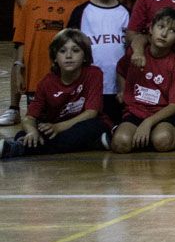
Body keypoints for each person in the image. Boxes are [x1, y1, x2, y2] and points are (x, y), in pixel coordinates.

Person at [1, 30, 106, 159]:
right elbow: (29, 117)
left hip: (82, 124)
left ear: (85, 56)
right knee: (25, 134)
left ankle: (21, 148)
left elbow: (91, 112)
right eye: (62, 51)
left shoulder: (94, 74)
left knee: (93, 127)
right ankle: (92, 144)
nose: (68, 55)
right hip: (57, 127)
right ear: (55, 58)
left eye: (75, 50)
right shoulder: (46, 83)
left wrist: (58, 127)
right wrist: (32, 131)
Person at [112, 8, 175, 154]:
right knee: (120, 143)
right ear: (151, 29)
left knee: (162, 141)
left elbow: (174, 105)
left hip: (162, 114)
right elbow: (120, 70)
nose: (164, 34)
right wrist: (122, 90)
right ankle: (134, 137)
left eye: (172, 31)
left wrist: (148, 122)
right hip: (135, 111)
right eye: (161, 27)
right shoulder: (136, 54)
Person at [68, 0, 129, 123]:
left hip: (117, 89)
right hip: (88, 88)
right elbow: (70, 50)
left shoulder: (126, 13)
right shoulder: (80, 13)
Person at [17, 0, 81, 109]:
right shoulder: (30, 5)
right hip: (35, 77)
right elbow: (20, 41)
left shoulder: (76, 7)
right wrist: (19, 68)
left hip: (65, 78)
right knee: (36, 121)